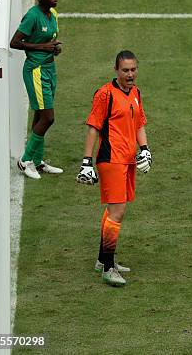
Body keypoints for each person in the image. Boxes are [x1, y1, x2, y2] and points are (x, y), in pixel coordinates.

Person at [76, 51, 152, 287]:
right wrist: (86, 161)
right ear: (116, 71)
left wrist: (145, 149)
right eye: (125, 70)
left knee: (114, 212)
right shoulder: (105, 94)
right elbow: (93, 128)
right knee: (117, 213)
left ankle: (103, 259)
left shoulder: (136, 93)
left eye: (133, 70)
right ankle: (109, 268)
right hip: (111, 159)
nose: (130, 75)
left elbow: (139, 123)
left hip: (128, 159)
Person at [10, 0, 63, 179]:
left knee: (40, 115)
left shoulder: (53, 14)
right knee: (48, 117)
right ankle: (25, 161)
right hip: (36, 71)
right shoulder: (32, 16)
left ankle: (38, 162)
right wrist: (42, 48)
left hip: (50, 68)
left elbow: (48, 40)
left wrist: (54, 49)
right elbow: (15, 42)